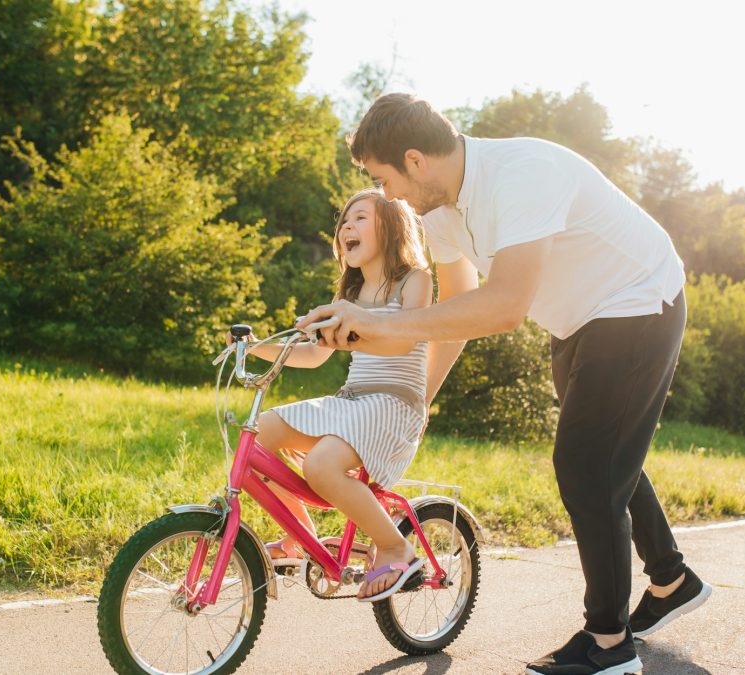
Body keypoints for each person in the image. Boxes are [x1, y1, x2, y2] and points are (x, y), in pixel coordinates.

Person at [299, 93, 712, 675]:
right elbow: (462, 308)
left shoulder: (524, 175)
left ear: (415, 160)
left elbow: (504, 307)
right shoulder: (439, 211)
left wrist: (379, 321)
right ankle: (671, 580)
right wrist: (419, 395)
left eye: (384, 179)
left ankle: (609, 646)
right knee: (606, 451)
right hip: (577, 320)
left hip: (639, 299)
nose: (386, 196)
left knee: (586, 465)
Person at [240, 187, 434, 602]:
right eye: (345, 219)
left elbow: (403, 342)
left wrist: (352, 337)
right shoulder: (349, 293)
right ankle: (300, 540)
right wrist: (256, 347)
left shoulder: (415, 281)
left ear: (392, 227)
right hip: (353, 399)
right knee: (261, 434)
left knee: (323, 464)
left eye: (360, 217)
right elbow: (313, 356)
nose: (348, 225)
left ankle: (397, 546)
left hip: (394, 403)